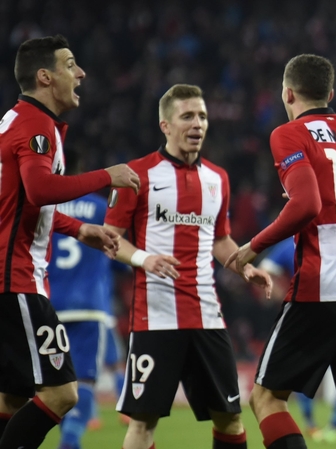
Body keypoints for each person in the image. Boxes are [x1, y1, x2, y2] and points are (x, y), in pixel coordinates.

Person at [225, 54, 336, 449]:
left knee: (266, 398)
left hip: (322, 287)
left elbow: (306, 205)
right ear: (330, 93)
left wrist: (254, 246)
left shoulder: (289, 134)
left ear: (287, 93)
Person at [103, 83, 271, 449]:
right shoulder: (137, 174)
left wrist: (244, 267)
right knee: (143, 421)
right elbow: (109, 239)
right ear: (165, 125)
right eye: (188, 116)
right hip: (157, 316)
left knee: (230, 417)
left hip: (207, 316)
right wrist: (147, 259)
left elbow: (221, 240)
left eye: (203, 116)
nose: (197, 124)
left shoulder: (218, 178)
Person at [0, 35, 140, 449]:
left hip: (12, 278)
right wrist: (105, 175)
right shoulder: (34, 124)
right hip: (17, 280)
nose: (80, 73)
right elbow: (41, 189)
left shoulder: (16, 120)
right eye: (70, 65)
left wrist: (80, 229)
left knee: (11, 395)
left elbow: (22, 203)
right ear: (45, 77)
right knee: (63, 394)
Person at [49, 188, 127, 449]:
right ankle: (71, 439)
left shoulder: (46, 205)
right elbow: (118, 257)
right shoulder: (100, 208)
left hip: (49, 304)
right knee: (85, 379)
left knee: (52, 382)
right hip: (90, 305)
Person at [258, 238, 336, 442]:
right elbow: (265, 269)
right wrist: (279, 294)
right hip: (307, 317)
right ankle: (312, 423)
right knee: (305, 374)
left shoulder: (333, 237)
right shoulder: (289, 244)